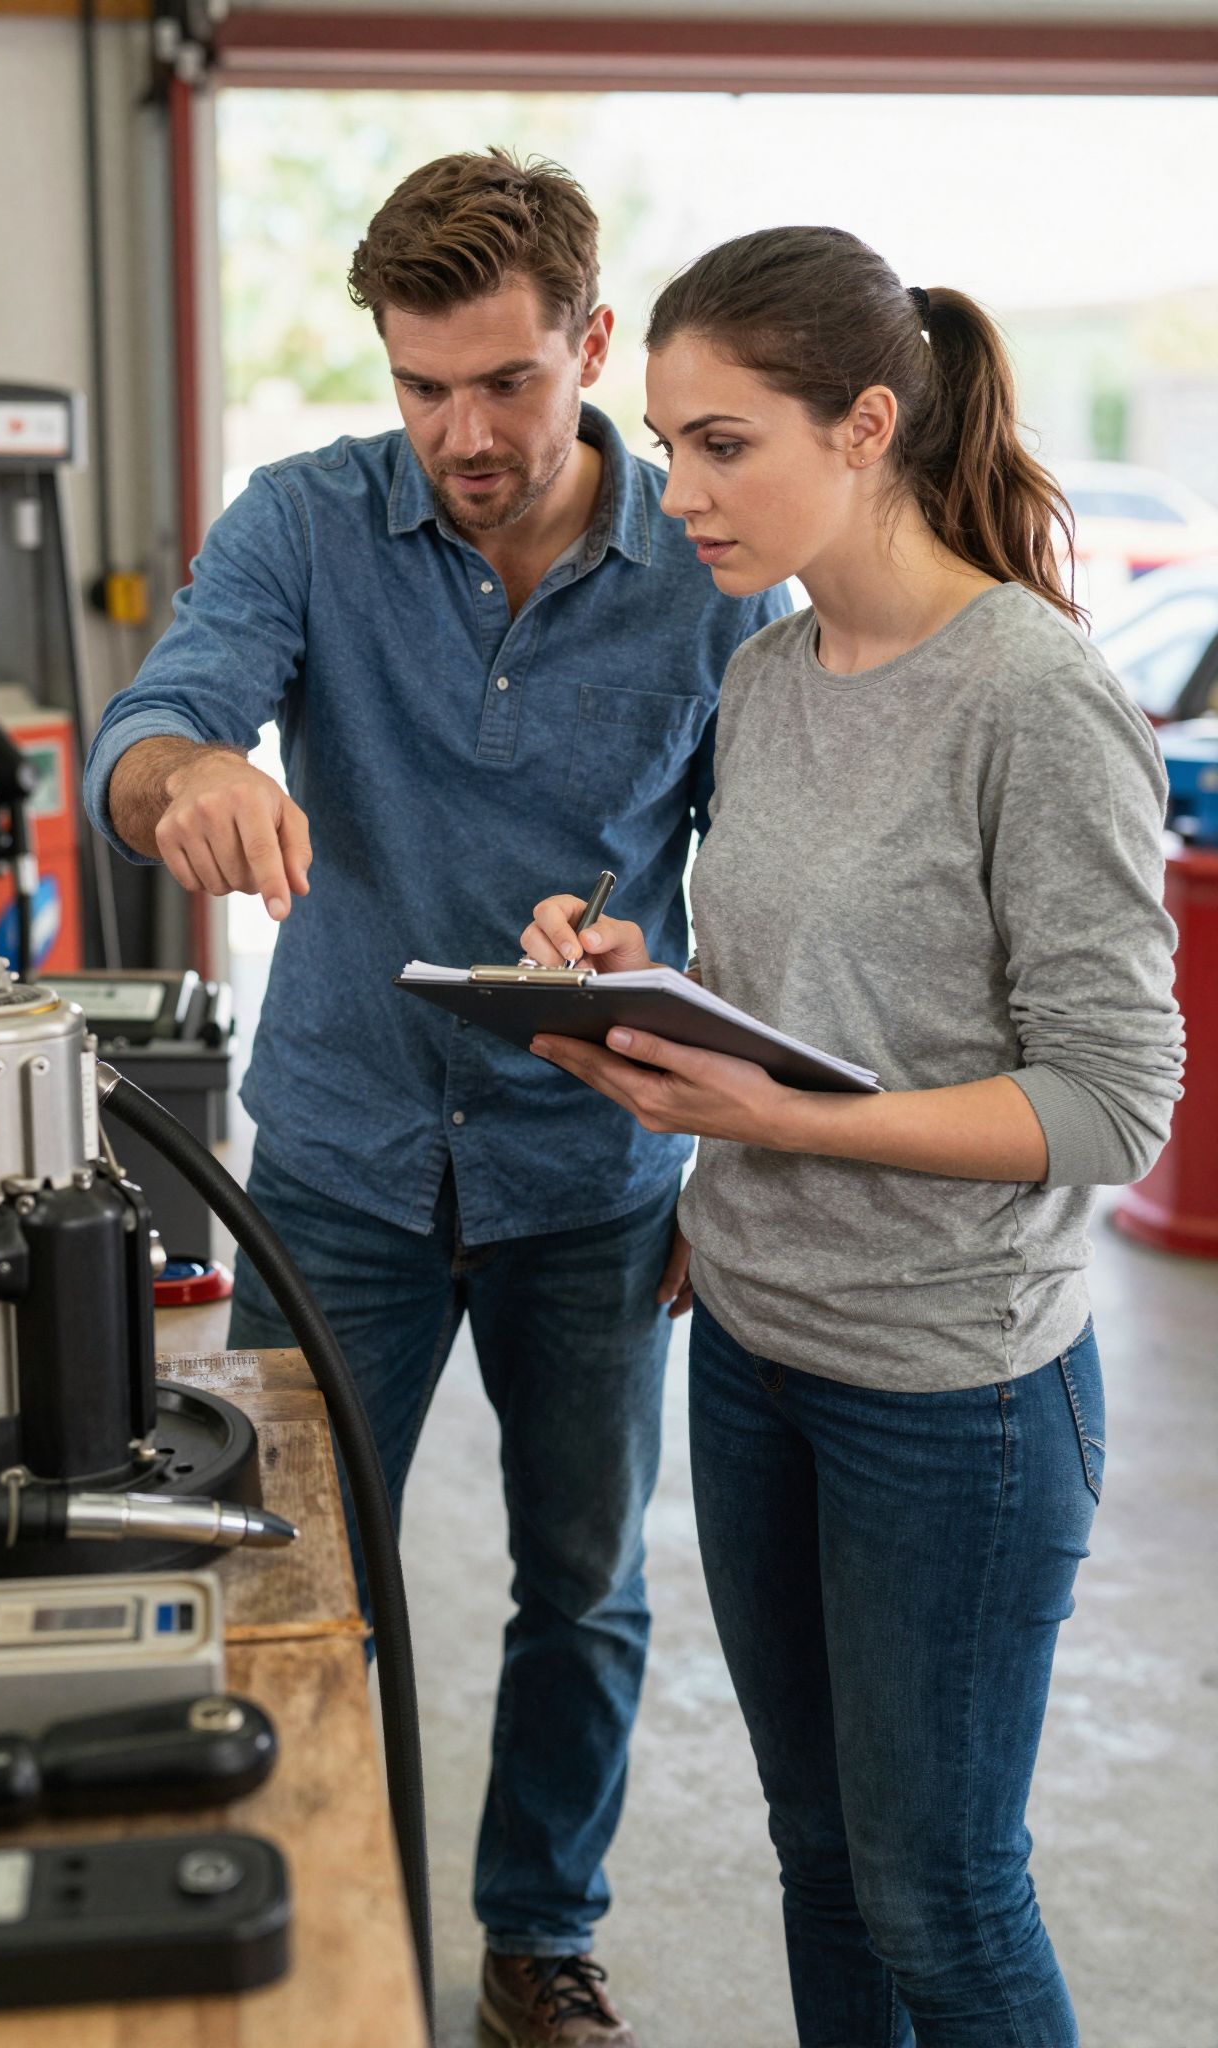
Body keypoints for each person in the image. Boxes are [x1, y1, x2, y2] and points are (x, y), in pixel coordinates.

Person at [83, 152, 789, 2046]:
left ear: (592, 343)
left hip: (592, 1182)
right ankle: (283, 1905)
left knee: (583, 1590)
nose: (459, 434)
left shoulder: (717, 580)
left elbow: (758, 905)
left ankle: (535, 1941)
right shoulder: (306, 525)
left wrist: (662, 988)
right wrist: (188, 783)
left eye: (504, 383)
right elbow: (157, 726)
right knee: (279, 1565)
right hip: (338, 1166)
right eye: (418, 386)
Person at [521, 226, 1183, 2048]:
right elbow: (814, 985)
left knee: (941, 1894)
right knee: (818, 1855)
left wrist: (787, 1116)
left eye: (722, 444)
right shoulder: (772, 679)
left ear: (869, 424)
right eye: (664, 445)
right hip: (752, 1345)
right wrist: (646, 983)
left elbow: (1116, 1101)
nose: (678, 495)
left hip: (948, 1396)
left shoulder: (1036, 702)